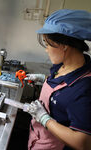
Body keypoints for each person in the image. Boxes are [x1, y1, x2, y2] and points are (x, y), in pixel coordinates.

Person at [24, 9, 91, 150]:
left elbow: (83, 143)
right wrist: (43, 79)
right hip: (38, 136)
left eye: (47, 44)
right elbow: (61, 85)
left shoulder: (84, 88)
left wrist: (44, 119)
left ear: (64, 45)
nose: (46, 49)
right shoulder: (63, 64)